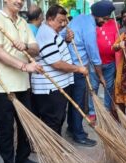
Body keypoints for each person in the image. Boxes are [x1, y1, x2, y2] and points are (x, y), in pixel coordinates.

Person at [0, 0, 41, 163]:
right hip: (1, 87)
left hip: (22, 85)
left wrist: (25, 47)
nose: (20, 1)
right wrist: (24, 66)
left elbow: (36, 48)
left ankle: (22, 159)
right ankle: (8, 162)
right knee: (6, 128)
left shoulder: (23, 22)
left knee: (25, 125)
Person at [31, 5, 88, 135]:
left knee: (58, 119)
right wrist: (78, 68)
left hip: (57, 86)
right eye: (60, 21)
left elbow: (54, 53)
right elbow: (56, 63)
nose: (63, 24)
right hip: (50, 88)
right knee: (53, 121)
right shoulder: (46, 34)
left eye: (64, 21)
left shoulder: (51, 32)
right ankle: (53, 151)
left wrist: (66, 41)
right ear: (50, 19)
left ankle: (56, 149)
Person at [64, 0, 115, 147]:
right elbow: (94, 55)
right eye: (104, 19)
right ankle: (78, 135)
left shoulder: (81, 18)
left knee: (74, 100)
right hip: (78, 67)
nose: (105, 22)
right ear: (98, 15)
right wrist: (100, 76)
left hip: (71, 66)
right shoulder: (89, 27)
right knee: (79, 102)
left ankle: (72, 128)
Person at [87, 17, 118, 121]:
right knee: (93, 88)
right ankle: (92, 112)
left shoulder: (115, 24)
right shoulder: (93, 24)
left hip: (110, 63)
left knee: (109, 87)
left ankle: (106, 110)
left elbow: (117, 41)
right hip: (95, 63)